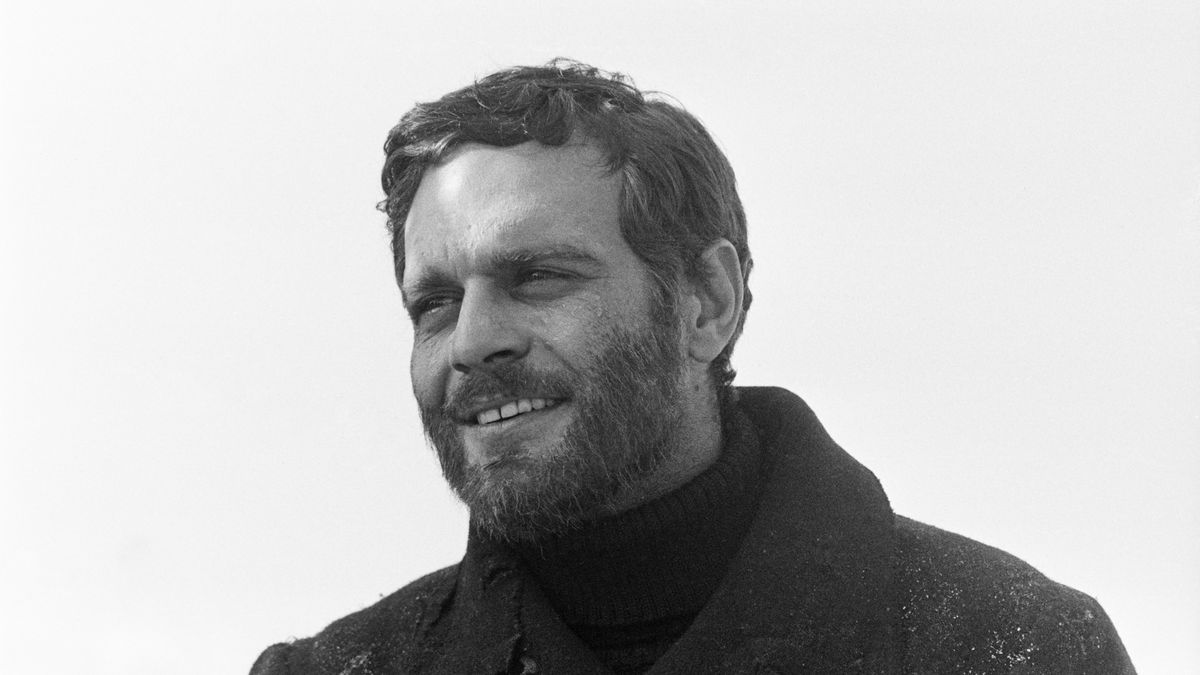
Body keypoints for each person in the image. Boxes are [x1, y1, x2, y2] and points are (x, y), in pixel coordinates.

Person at [250, 60, 1135, 674]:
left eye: (539, 276)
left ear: (707, 302)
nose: (473, 341)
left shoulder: (1013, 649)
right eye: (435, 304)